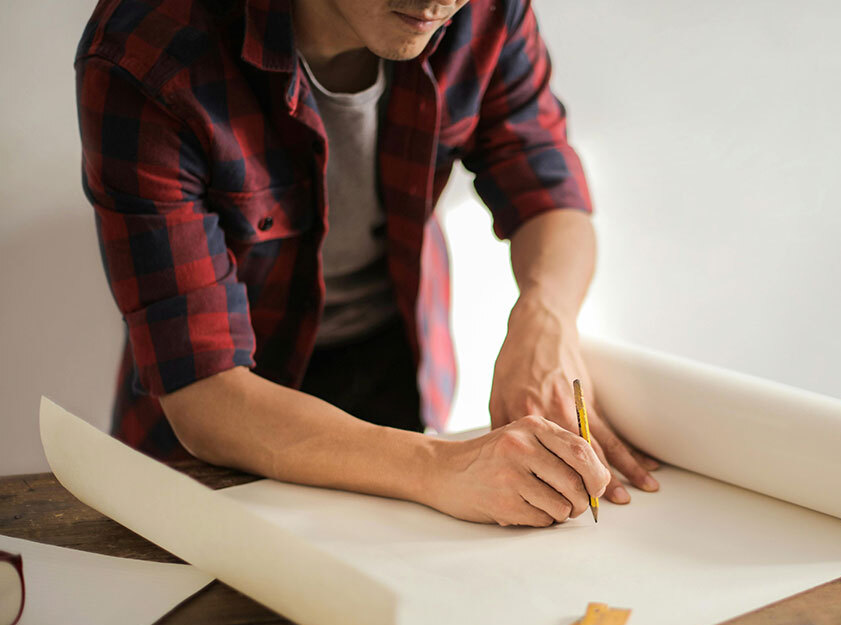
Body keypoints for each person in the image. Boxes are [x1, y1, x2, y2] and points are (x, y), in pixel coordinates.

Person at [75, 0, 659, 526]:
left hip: (393, 363)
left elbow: (548, 188)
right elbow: (204, 396)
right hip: (224, 420)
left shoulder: (484, 11)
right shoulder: (146, 49)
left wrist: (545, 316)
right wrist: (441, 467)